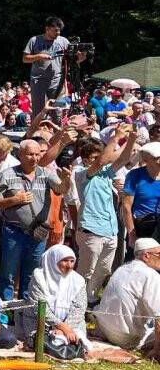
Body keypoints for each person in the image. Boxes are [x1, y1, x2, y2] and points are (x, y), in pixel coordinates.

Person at [0, 139, 72, 300]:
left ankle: (25, 308)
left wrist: (66, 180)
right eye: (30, 154)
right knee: (8, 273)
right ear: (20, 155)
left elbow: (60, 189)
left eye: (37, 154)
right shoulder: (7, 174)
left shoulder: (46, 173)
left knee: (32, 273)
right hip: (14, 232)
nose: (34, 158)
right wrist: (14, 200)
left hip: (38, 232)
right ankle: (6, 309)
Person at [69, 128, 137, 302]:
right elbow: (101, 161)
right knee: (86, 271)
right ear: (85, 160)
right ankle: (76, 301)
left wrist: (130, 140)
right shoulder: (80, 173)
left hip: (110, 229)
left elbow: (123, 159)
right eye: (92, 157)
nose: (100, 160)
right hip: (90, 230)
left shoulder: (107, 173)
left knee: (104, 270)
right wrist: (116, 138)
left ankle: (89, 299)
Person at [92, 238, 160, 358]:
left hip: (104, 329)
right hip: (126, 338)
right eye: (158, 254)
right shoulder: (151, 275)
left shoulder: (122, 268)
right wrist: (156, 351)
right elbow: (159, 318)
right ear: (146, 256)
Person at [17, 244, 88, 358]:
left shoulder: (78, 280)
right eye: (65, 261)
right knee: (43, 342)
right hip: (39, 321)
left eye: (72, 261)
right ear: (53, 260)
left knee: (75, 340)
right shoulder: (39, 276)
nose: (69, 265)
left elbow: (79, 308)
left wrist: (66, 328)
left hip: (71, 324)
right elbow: (39, 306)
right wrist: (60, 326)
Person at [22, 16, 84, 115]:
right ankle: (37, 130)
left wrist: (81, 57)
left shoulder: (63, 41)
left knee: (58, 111)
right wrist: (39, 56)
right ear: (47, 29)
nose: (58, 33)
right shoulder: (34, 40)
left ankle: (57, 129)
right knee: (39, 112)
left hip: (57, 82)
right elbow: (25, 59)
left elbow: (72, 60)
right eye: (55, 30)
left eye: (59, 31)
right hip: (38, 81)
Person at [121, 142, 160, 248]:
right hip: (143, 227)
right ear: (146, 159)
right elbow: (126, 206)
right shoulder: (135, 175)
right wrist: (131, 234)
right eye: (158, 157)